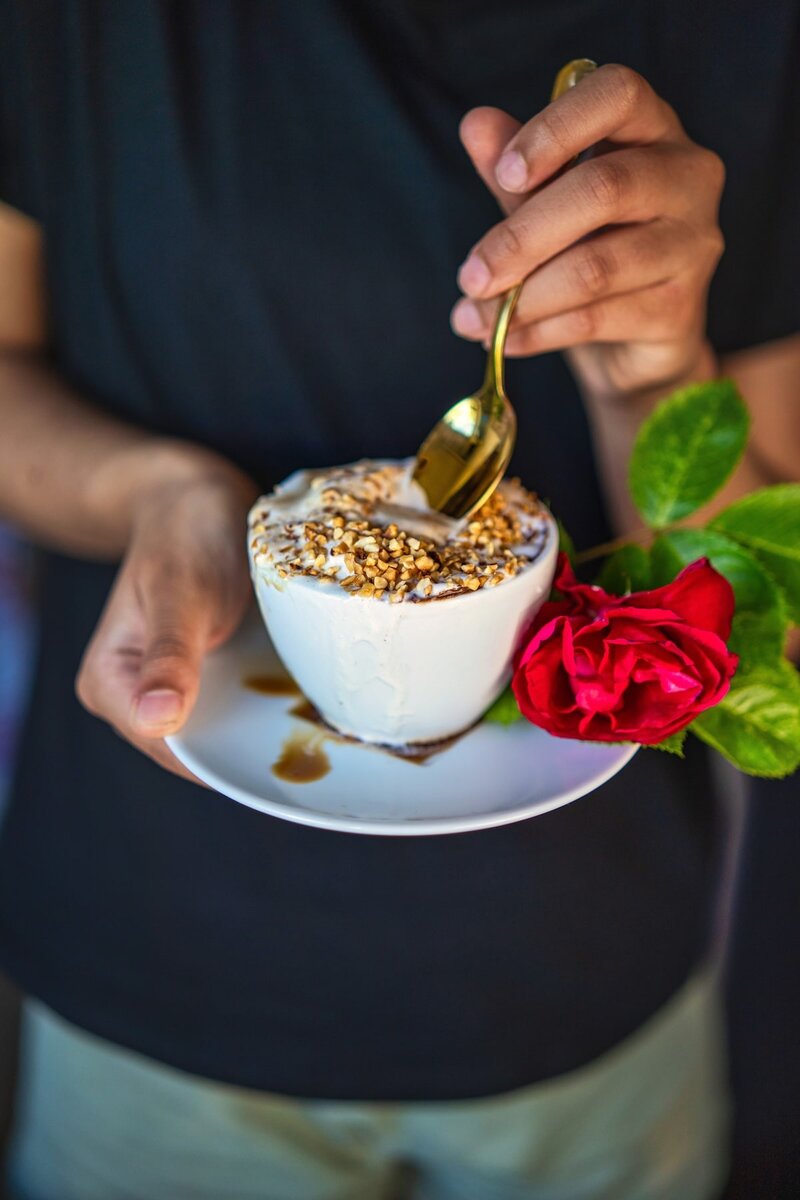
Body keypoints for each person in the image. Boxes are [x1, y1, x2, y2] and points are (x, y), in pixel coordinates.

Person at [0, 3, 798, 1198]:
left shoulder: (742, 30)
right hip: (155, 950)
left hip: (576, 976)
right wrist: (155, 493)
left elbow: (767, 610)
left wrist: (650, 377)